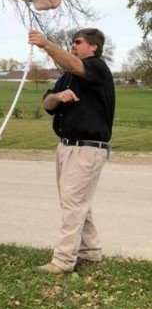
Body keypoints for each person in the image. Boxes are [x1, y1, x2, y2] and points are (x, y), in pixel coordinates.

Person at [28, 28, 115, 274]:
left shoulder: (98, 68)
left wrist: (46, 44)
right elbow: (46, 104)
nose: (73, 46)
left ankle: (63, 261)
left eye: (77, 42)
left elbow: (75, 64)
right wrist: (57, 96)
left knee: (73, 205)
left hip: (87, 148)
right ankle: (90, 251)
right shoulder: (67, 77)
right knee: (76, 203)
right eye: (72, 42)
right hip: (66, 147)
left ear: (94, 47)